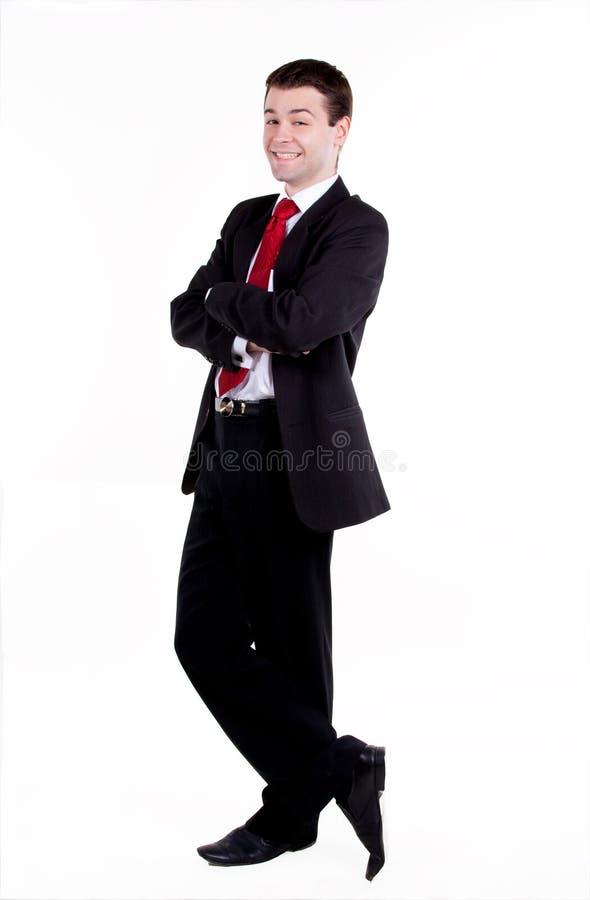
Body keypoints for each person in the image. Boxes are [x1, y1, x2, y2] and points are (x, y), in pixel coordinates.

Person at [170, 58, 390, 881]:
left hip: (294, 455)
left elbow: (304, 323)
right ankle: (339, 768)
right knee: (202, 638)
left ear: (339, 129)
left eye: (300, 118)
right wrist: (232, 315)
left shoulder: (357, 229)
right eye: (270, 117)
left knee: (295, 648)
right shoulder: (245, 216)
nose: (280, 135)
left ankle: (290, 817)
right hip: (224, 445)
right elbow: (181, 315)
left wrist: (228, 302)